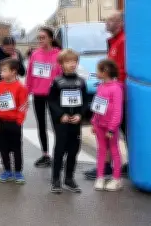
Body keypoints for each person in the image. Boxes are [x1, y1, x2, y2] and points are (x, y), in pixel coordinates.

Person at [85, 10, 127, 180]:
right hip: (109, 90)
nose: (106, 24)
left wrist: (115, 89)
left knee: (115, 130)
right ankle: (106, 165)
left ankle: (110, 167)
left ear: (120, 23)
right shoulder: (115, 41)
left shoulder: (123, 41)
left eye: (110, 20)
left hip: (116, 92)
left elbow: (122, 70)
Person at [48, 48, 89, 194]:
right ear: (61, 64)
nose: (72, 64)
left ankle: (69, 178)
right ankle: (56, 179)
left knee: (74, 149)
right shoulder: (57, 82)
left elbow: (85, 102)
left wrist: (80, 115)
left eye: (74, 61)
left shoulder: (81, 82)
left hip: (75, 121)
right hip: (62, 122)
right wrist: (61, 115)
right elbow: (52, 102)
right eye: (68, 61)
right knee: (60, 150)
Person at [26, 27, 61, 168]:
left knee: (57, 125)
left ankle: (58, 155)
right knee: (41, 125)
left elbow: (62, 75)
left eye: (43, 37)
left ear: (50, 38)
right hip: (38, 95)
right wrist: (26, 93)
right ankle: (45, 154)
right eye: (39, 38)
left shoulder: (58, 54)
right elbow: (30, 75)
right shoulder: (35, 55)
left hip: (53, 95)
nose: (40, 40)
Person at [0, 58, 29, 184]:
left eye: (4, 70)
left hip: (14, 123)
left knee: (16, 148)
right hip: (0, 121)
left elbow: (23, 105)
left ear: (13, 72)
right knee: (3, 148)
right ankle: (7, 170)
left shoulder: (20, 87)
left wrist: (18, 121)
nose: (1, 73)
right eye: (1, 70)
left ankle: (18, 172)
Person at [91, 59, 124, 192]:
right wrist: (94, 121)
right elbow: (97, 105)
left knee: (114, 150)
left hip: (110, 127)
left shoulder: (116, 88)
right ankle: (100, 176)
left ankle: (116, 178)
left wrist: (112, 127)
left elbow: (117, 110)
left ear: (105, 72)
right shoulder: (100, 86)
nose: (96, 72)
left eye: (98, 70)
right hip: (99, 125)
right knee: (101, 150)